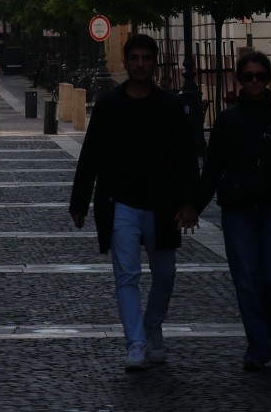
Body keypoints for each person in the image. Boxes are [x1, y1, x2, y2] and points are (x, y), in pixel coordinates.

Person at [69, 32, 199, 372]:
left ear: (154, 63)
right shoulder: (110, 106)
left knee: (165, 273)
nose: (140, 64)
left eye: (146, 58)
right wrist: (79, 202)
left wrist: (190, 203)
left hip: (162, 202)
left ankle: (152, 323)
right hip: (120, 201)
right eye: (135, 58)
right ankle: (136, 342)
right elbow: (92, 154)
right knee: (126, 275)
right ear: (126, 62)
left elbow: (187, 157)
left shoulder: (169, 105)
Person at [191, 49, 271, 370]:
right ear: (239, 80)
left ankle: (266, 330)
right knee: (245, 280)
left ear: (269, 79)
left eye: (260, 76)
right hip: (238, 209)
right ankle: (258, 348)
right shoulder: (227, 120)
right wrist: (194, 207)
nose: (254, 82)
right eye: (248, 77)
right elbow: (213, 169)